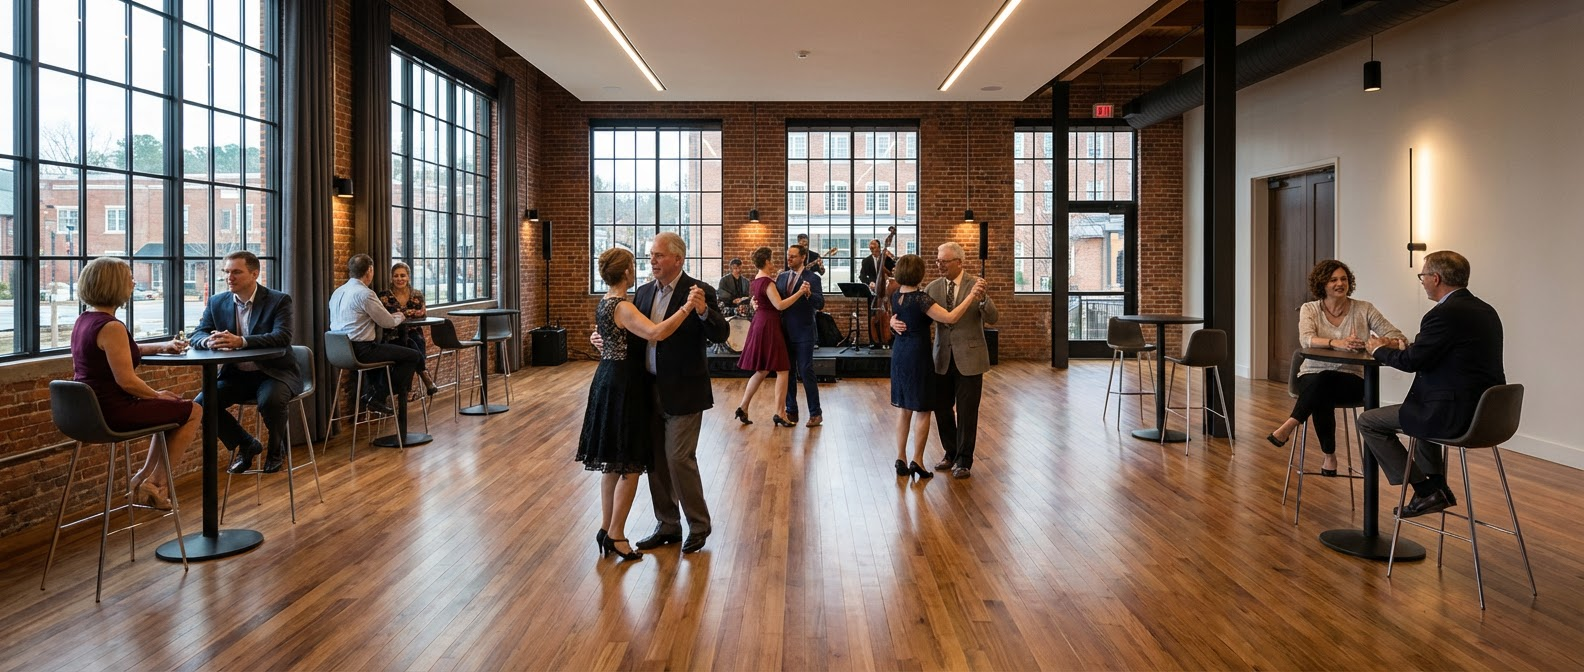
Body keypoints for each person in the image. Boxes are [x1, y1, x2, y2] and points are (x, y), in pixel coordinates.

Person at [577, 247, 706, 561]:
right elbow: (656, 332)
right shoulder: (623, 305)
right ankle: (618, 535)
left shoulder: (605, 302)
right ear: (626, 273)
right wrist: (688, 307)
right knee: (630, 466)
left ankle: (606, 527)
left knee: (612, 463)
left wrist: (602, 340)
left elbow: (617, 337)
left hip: (607, 379)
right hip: (624, 384)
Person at [1361, 251, 1504, 518]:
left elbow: (1412, 363)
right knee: (1419, 413)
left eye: (1423, 275)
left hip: (1455, 414)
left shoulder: (1444, 313)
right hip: (1487, 414)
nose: (1422, 281)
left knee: (1369, 421)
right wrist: (1406, 346)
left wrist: (1377, 350)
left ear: (1436, 278)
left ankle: (1425, 490)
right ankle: (1437, 488)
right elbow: (1442, 351)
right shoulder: (1485, 310)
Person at [70, 257, 203, 510]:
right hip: (112, 410)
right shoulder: (112, 326)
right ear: (114, 285)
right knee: (193, 410)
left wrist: (162, 346)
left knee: (168, 413)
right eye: (129, 278)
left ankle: (143, 476)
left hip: (88, 410)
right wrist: (156, 394)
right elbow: (127, 381)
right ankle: (157, 483)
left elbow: (120, 351)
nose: (133, 282)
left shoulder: (85, 320)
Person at [631, 232, 729, 554]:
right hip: (649, 388)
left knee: (678, 458)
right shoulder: (643, 293)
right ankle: (668, 524)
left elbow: (721, 333)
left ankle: (699, 525)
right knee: (656, 460)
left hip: (685, 390)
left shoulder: (699, 291)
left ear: (678, 258)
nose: (653, 261)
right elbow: (634, 336)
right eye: (651, 256)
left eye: (658, 255)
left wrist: (703, 312)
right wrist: (601, 339)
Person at [1265, 260, 1404, 477]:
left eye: (1344, 279)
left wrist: (1383, 342)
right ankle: (1328, 454)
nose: (1340, 284)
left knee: (1324, 383)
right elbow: (1306, 339)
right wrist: (1335, 342)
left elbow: (1398, 336)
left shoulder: (1364, 309)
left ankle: (1294, 426)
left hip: (1352, 380)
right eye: (1333, 280)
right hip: (1310, 376)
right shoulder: (1310, 309)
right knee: (1322, 384)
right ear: (1322, 284)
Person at [191, 250, 302, 475]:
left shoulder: (278, 300)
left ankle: (276, 450)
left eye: (236, 272)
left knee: (270, 401)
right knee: (201, 404)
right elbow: (197, 334)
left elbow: (282, 336)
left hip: (274, 372)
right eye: (227, 272)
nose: (229, 277)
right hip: (237, 375)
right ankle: (246, 443)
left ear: (254, 274)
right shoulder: (216, 302)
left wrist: (241, 341)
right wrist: (209, 341)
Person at [887, 254, 983, 479]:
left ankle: (900, 458)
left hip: (899, 355)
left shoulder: (896, 295)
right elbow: (950, 318)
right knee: (923, 410)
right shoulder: (921, 299)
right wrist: (970, 297)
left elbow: (897, 317)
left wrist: (892, 322)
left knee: (904, 410)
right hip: (917, 356)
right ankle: (917, 461)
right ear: (918, 273)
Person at [329, 253, 425, 438]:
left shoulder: (338, 291)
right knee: (412, 355)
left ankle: (375, 394)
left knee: (396, 351)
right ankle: (378, 396)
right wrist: (401, 316)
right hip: (361, 351)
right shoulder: (365, 293)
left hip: (339, 351)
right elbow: (387, 322)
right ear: (370, 271)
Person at [925, 242, 998, 479]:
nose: (940, 265)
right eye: (938, 261)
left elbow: (993, 318)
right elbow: (921, 319)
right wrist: (896, 323)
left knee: (967, 411)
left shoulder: (976, 285)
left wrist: (984, 299)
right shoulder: (932, 288)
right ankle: (950, 452)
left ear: (959, 262)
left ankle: (964, 461)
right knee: (942, 408)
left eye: (944, 261)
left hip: (970, 357)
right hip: (942, 358)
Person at [733, 246, 811, 427]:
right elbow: (780, 305)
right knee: (783, 369)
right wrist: (800, 293)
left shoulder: (756, 280)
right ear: (767, 261)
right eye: (772, 258)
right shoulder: (767, 281)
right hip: (769, 325)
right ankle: (780, 413)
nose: (774, 261)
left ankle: (743, 406)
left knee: (762, 369)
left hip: (760, 323)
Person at [777, 243, 826, 427]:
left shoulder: (812, 278)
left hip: (804, 331)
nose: (789, 258)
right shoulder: (781, 277)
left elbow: (820, 304)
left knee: (806, 371)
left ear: (803, 257)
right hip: (785, 332)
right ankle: (791, 411)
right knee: (787, 372)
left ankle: (815, 413)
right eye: (788, 255)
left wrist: (809, 294)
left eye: (793, 256)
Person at [378, 261, 438, 396]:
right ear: (391, 278)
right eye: (396, 276)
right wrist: (410, 313)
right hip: (392, 337)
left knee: (413, 342)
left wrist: (400, 315)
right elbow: (383, 317)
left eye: (403, 276)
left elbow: (422, 314)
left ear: (408, 277)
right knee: (411, 346)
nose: (399, 279)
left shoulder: (417, 294)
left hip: (414, 334)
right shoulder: (384, 296)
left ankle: (405, 391)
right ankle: (423, 376)